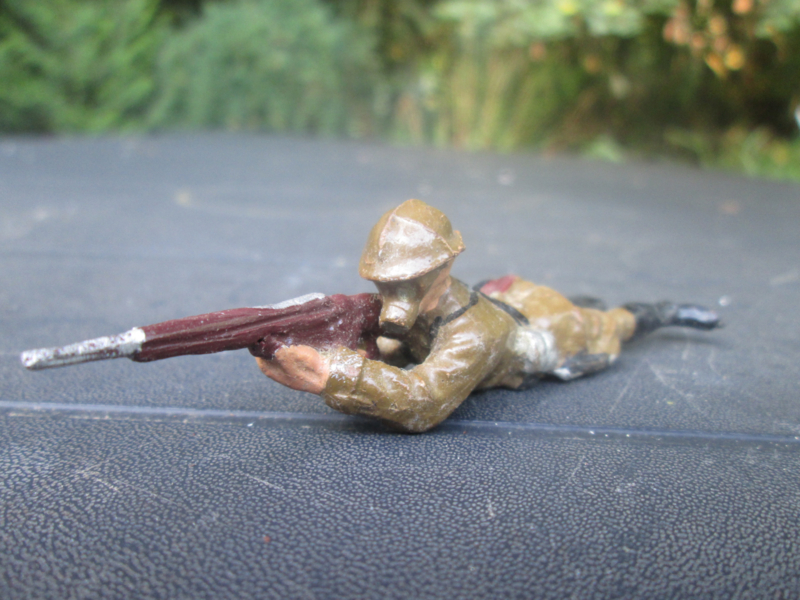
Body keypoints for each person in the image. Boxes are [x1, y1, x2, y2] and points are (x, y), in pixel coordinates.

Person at [256, 200, 721, 432]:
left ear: (444, 267)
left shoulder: (474, 333)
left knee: (607, 324)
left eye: (409, 281)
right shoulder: (424, 307)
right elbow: (403, 346)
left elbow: (424, 400)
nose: (393, 297)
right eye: (385, 283)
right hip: (510, 297)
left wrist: (334, 374)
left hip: (546, 330)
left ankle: (667, 312)